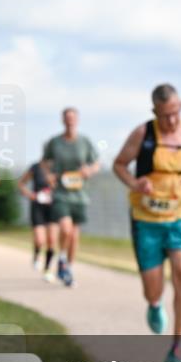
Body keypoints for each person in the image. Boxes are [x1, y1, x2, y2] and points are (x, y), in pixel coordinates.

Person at [112, 84, 181, 362]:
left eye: (175, 112)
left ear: (180, 106)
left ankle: (177, 347)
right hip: (146, 219)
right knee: (153, 288)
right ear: (154, 112)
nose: (171, 120)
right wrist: (135, 183)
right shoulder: (143, 134)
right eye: (165, 115)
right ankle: (155, 303)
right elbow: (120, 164)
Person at [42, 108, 100, 287]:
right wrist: (48, 175)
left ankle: (68, 268)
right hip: (61, 193)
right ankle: (61, 257)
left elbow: (96, 163)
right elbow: (44, 163)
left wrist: (89, 170)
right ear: (62, 120)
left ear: (77, 120)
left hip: (79, 194)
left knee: (74, 236)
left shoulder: (85, 142)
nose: (70, 121)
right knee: (65, 229)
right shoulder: (55, 142)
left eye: (73, 118)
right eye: (67, 118)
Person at [18, 156, 58, 281]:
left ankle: (47, 269)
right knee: (40, 240)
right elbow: (21, 184)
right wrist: (32, 195)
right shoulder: (35, 167)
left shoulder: (59, 167)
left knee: (52, 239)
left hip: (53, 206)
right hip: (38, 207)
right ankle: (36, 255)